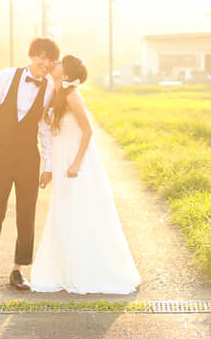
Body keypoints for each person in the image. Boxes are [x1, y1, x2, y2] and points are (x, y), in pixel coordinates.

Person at [30, 55, 142, 294]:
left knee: (80, 210)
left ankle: (84, 269)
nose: (55, 64)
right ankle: (63, 268)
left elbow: (88, 130)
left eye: (60, 63)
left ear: (67, 74)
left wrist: (76, 163)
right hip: (62, 161)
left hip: (76, 162)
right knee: (64, 212)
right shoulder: (56, 94)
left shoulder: (72, 95)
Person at [0, 37, 58, 294]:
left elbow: (45, 129)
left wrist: (48, 164)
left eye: (50, 59)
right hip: (2, 153)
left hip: (28, 158)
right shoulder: (7, 76)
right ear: (31, 55)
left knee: (26, 213)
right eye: (40, 56)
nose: (45, 62)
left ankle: (18, 270)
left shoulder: (50, 89)